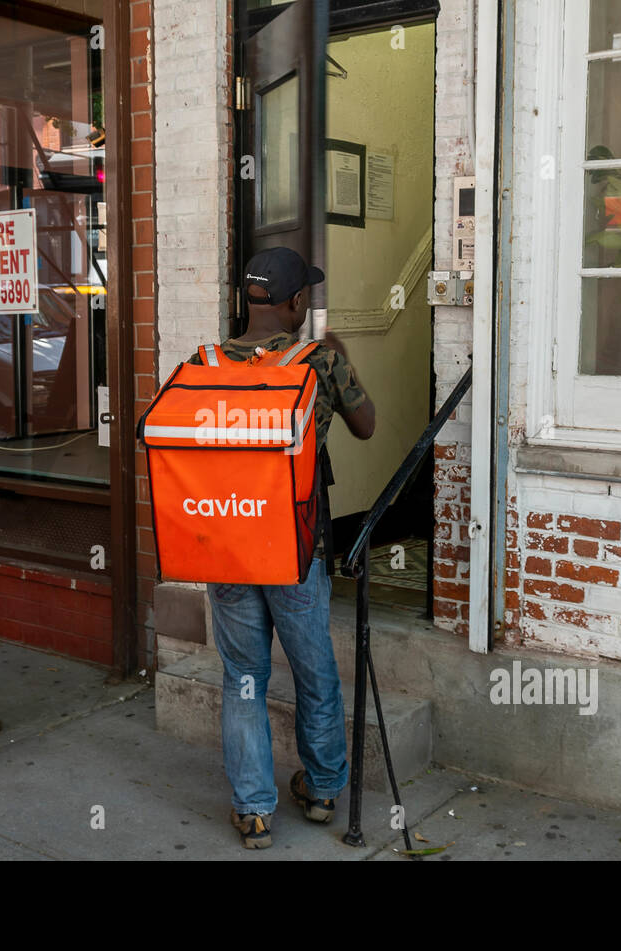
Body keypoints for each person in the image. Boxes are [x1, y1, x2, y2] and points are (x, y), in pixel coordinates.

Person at [187, 247, 376, 849]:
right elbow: (367, 424)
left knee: (243, 674)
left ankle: (253, 811)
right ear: (295, 303)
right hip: (297, 548)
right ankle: (322, 791)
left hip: (225, 544)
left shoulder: (205, 362)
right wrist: (343, 362)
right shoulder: (318, 361)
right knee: (314, 670)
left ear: (251, 298)